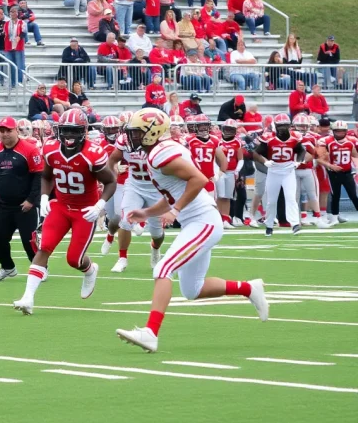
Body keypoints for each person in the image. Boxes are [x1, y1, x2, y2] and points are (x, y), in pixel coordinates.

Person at [115, 108, 268, 353]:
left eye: (135, 132)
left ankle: (150, 332)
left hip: (203, 221)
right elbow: (173, 193)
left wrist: (175, 211)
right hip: (196, 221)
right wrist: (147, 213)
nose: (130, 137)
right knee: (192, 290)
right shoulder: (158, 152)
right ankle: (249, 288)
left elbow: (199, 180)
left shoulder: (159, 155)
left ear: (151, 133)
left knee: (163, 268)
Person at [13, 109, 116, 314]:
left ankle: (90, 270)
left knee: (74, 259)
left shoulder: (92, 153)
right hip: (60, 206)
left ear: (84, 131)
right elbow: (46, 176)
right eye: (65, 130)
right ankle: (28, 298)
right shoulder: (51, 148)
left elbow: (111, 181)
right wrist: (44, 197)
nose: (69, 136)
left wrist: (99, 206)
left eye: (74, 131)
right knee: (44, 248)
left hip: (85, 210)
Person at [0, 116, 43, 281]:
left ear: (16, 130)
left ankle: (40, 267)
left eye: (8, 130)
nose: (5, 134)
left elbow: (38, 176)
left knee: (28, 240)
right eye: (2, 131)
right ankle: (7, 267)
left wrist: (31, 200)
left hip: (25, 205)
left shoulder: (29, 149)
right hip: (3, 204)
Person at [253, 114, 306, 236]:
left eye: (285, 125)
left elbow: (302, 150)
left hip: (288, 170)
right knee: (271, 201)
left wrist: (298, 162)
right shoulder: (269, 138)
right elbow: (256, 153)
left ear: (289, 126)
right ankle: (269, 225)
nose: (282, 128)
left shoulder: (294, 137)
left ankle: (295, 224)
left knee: (291, 197)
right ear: (275, 126)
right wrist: (265, 161)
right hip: (274, 171)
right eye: (280, 126)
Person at [318, 121, 358, 225]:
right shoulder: (326, 141)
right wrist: (331, 166)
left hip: (347, 172)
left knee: (353, 195)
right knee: (335, 196)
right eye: (337, 131)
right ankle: (334, 218)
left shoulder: (351, 141)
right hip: (333, 173)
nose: (339, 133)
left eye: (342, 131)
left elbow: (355, 155)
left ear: (346, 131)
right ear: (333, 131)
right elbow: (319, 158)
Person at [3, 6, 26, 86]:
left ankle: (19, 82)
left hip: (18, 46)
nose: (13, 13)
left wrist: (19, 37)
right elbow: (5, 34)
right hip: (8, 46)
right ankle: (12, 83)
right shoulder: (6, 23)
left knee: (20, 65)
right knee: (11, 65)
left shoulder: (22, 22)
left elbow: (24, 33)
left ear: (17, 13)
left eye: (14, 11)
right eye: (11, 12)